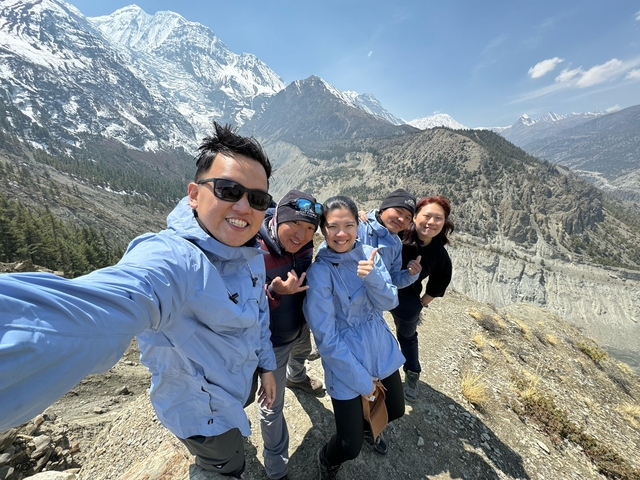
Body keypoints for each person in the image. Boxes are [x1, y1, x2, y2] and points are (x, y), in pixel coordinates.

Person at [0, 123, 277, 479]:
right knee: (224, 468)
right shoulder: (175, 260)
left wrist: (266, 366)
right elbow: (100, 307)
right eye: (228, 190)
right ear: (194, 194)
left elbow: (257, 314)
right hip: (202, 413)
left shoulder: (246, 253)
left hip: (232, 391)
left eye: (257, 199)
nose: (243, 207)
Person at [303, 196, 406, 480]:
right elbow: (326, 337)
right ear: (323, 230)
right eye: (333, 226)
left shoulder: (369, 254)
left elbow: (390, 302)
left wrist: (372, 276)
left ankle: (366, 424)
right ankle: (327, 457)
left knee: (395, 410)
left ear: (357, 226)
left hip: (379, 347)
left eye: (349, 225)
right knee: (349, 447)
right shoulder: (320, 273)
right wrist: (364, 384)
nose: (341, 233)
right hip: (345, 356)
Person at [257, 189, 325, 480]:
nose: (302, 234)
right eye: (295, 224)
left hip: (299, 324)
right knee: (272, 405)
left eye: (310, 228)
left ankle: (297, 377)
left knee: (301, 353)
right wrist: (274, 291)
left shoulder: (306, 248)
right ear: (279, 218)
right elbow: (239, 300)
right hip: (271, 341)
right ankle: (276, 469)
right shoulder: (254, 248)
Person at [391, 195, 454, 401]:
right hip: (376, 287)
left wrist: (422, 303)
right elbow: (375, 226)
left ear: (445, 223)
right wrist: (365, 216)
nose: (431, 222)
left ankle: (412, 372)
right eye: (427, 216)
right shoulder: (397, 234)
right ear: (415, 216)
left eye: (439, 218)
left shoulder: (438, 253)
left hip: (407, 296)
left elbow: (441, 280)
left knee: (407, 335)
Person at [358, 188, 422, 288]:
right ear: (384, 208)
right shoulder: (358, 226)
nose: (401, 219)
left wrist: (410, 275)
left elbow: (391, 279)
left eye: (408, 218)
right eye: (398, 211)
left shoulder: (396, 244)